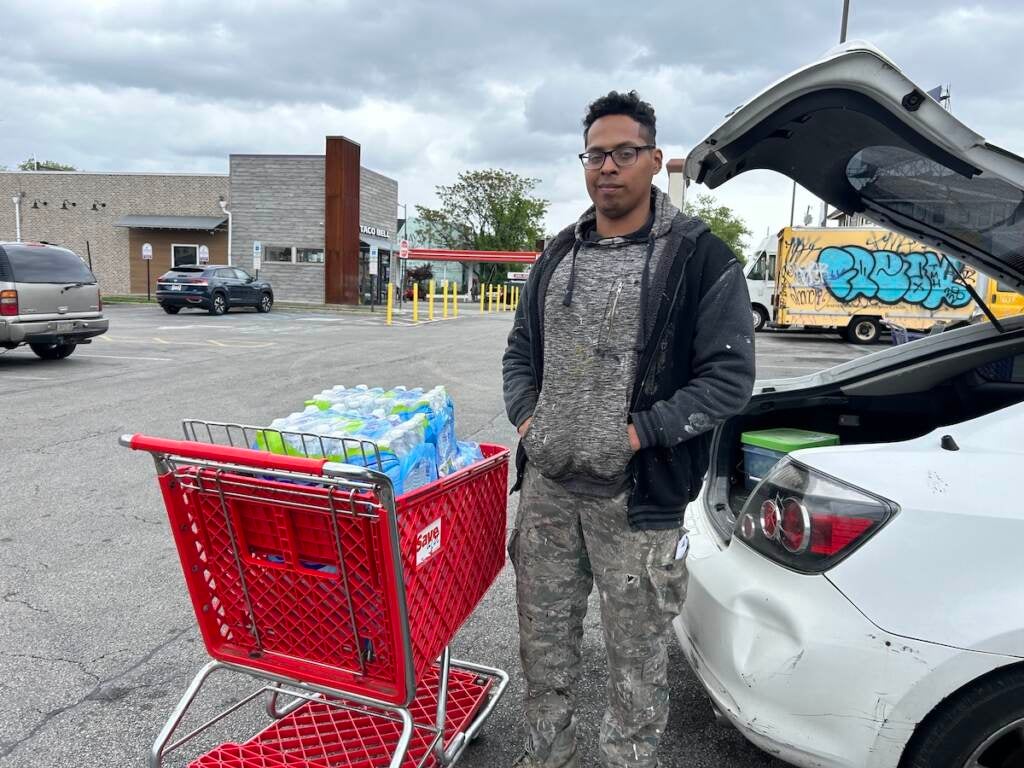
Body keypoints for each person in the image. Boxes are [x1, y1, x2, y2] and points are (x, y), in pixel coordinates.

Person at [502, 90, 756, 768]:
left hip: (637, 503)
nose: (606, 167)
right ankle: (545, 756)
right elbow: (519, 354)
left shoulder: (700, 259)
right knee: (542, 647)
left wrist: (639, 434)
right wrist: (531, 422)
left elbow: (727, 380)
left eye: (622, 153)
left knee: (635, 663)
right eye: (594, 154)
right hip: (550, 494)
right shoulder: (557, 255)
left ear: (652, 159)